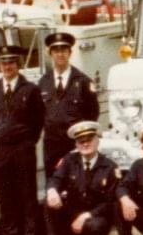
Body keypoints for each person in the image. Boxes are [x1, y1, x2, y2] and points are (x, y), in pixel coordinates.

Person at [0, 43, 45, 235]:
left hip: (23, 147)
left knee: (27, 194)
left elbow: (38, 119)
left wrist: (29, 141)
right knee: (6, 195)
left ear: (17, 64)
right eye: (3, 62)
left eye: (11, 62)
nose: (7, 66)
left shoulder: (30, 89)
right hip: (2, 149)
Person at [43, 120, 122, 235]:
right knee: (49, 202)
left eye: (89, 140)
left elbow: (110, 201)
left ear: (97, 141)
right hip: (74, 211)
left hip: (97, 216)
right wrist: (52, 190)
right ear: (76, 144)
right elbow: (55, 178)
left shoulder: (109, 166)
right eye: (81, 141)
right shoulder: (69, 161)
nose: (85, 144)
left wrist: (87, 216)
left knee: (94, 226)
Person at [38, 31, 99, 180]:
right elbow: (39, 113)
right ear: (50, 54)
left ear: (70, 53)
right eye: (56, 51)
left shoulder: (83, 81)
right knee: (53, 183)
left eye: (64, 50)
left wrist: (83, 138)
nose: (60, 55)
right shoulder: (43, 82)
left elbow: (93, 112)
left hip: (75, 143)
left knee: (76, 182)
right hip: (52, 144)